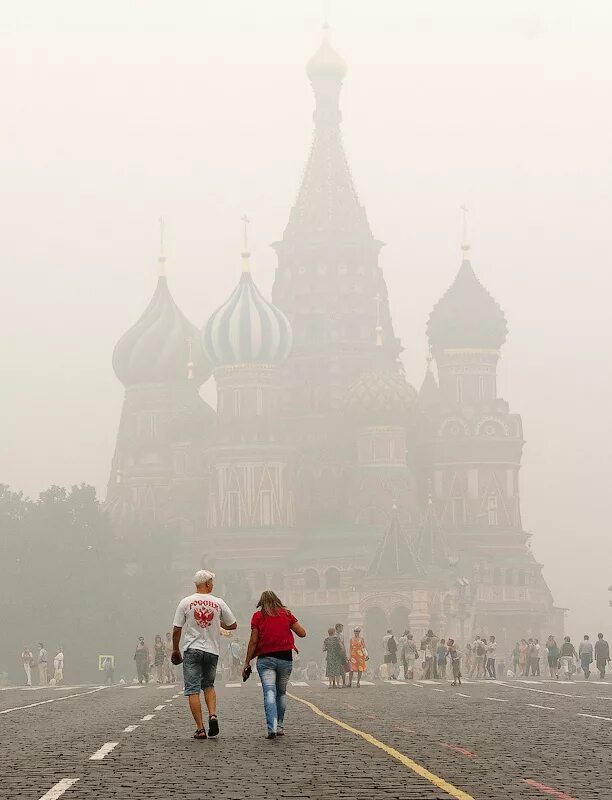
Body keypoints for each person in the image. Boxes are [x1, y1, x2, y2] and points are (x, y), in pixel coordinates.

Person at [172, 569, 237, 740]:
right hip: (212, 650)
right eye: (212, 582)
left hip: (192, 650)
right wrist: (217, 622)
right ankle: (213, 715)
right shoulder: (218, 602)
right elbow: (233, 625)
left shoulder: (185, 602)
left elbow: (177, 629)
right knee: (208, 686)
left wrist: (175, 649)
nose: (213, 585)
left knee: (192, 689)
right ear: (207, 583)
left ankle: (200, 729)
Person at [243, 590, 306, 739]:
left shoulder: (258, 616)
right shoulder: (286, 614)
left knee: (269, 693)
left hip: (266, 660)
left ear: (261, 602)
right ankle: (280, 726)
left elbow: (253, 641)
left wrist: (247, 661)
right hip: (285, 659)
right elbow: (302, 633)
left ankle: (271, 727)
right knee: (282, 693)